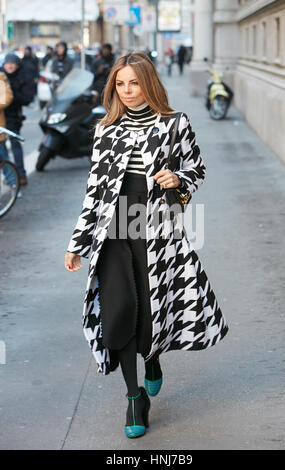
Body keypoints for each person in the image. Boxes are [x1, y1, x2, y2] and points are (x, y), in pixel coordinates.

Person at [64, 51, 229, 439]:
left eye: (134, 83)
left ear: (148, 83)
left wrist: (178, 181)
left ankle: (152, 357)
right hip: (113, 227)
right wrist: (78, 243)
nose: (127, 91)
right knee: (119, 308)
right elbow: (94, 191)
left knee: (153, 308)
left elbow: (197, 168)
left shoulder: (174, 123)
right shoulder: (106, 128)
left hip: (157, 227)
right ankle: (135, 396)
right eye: (120, 84)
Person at [1, 53, 35, 185]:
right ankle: (10, 174)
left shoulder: (23, 77)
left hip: (13, 117)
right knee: (2, 148)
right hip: (1, 116)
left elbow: (27, 99)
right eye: (7, 63)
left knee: (15, 145)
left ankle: (20, 174)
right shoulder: (1, 76)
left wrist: (12, 93)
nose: (9, 65)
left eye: (12, 63)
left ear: (17, 65)